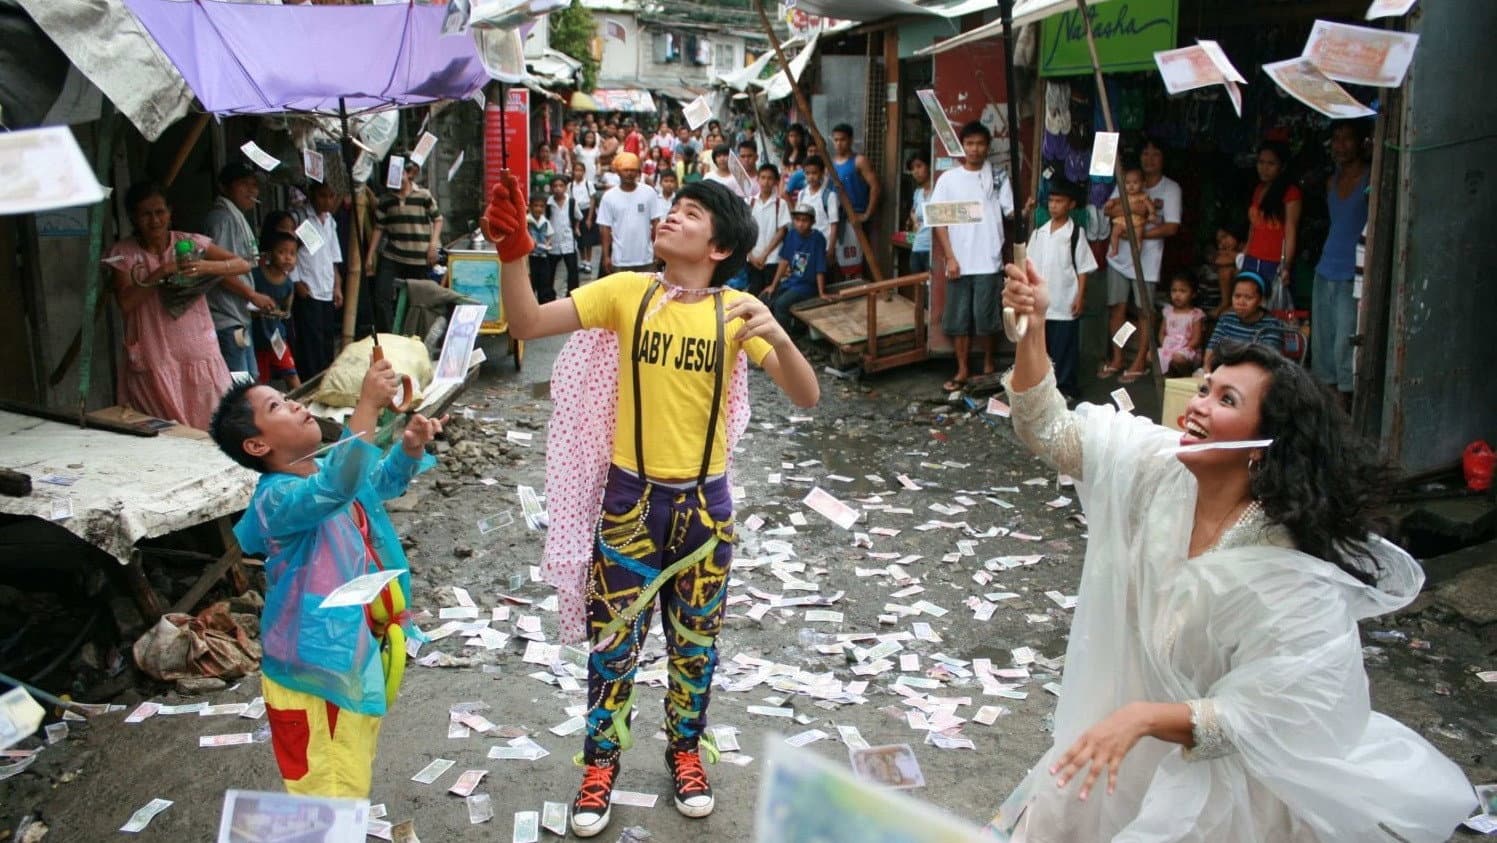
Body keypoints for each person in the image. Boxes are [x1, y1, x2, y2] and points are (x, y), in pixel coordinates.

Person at [994, 256, 1475, 843]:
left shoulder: (1285, 560)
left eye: (1225, 400)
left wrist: (1143, 719)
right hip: (1129, 737)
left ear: (1261, 446)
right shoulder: (1157, 467)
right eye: (1205, 388)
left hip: (1232, 775)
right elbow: (1049, 431)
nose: (1196, 406)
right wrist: (1035, 327)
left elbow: (1267, 713)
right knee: (1059, 814)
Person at [480, 175, 819, 839]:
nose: (670, 218)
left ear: (719, 246)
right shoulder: (626, 291)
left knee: (695, 644)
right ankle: (600, 763)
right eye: (672, 209)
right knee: (613, 647)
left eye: (688, 214)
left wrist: (777, 335)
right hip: (629, 502)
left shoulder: (735, 311)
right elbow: (525, 324)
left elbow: (805, 396)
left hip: (706, 510)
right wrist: (513, 249)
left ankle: (685, 752)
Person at [210, 360, 443, 798]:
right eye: (277, 406)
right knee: (328, 792)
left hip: (352, 655)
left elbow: (377, 480)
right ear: (257, 445)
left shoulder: (321, 473)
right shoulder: (276, 499)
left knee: (348, 777)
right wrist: (368, 406)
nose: (296, 406)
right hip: (314, 671)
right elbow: (341, 483)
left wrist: (409, 448)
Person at [106, 182, 251, 429]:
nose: (155, 221)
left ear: (170, 212)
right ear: (133, 217)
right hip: (154, 352)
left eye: (160, 212)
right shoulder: (123, 253)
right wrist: (161, 272)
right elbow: (126, 302)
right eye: (146, 214)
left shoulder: (190, 243)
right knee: (164, 427)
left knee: (215, 420)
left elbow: (244, 263)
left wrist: (205, 266)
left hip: (197, 348)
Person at [927, 120, 1015, 392]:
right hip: (959, 263)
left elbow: (1010, 212)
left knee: (987, 317)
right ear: (962, 147)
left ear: (988, 147)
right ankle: (963, 369)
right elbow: (939, 223)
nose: (975, 149)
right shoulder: (949, 180)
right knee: (959, 319)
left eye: (979, 144)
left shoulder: (997, 177)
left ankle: (988, 366)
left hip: (988, 261)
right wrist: (950, 258)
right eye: (970, 144)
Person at [1100, 138, 1182, 384]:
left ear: (1164, 159)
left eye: (1155, 154)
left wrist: (1140, 232)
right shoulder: (1129, 180)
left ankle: (1139, 361)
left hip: (1146, 260)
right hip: (1118, 258)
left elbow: (1171, 227)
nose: (1149, 159)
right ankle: (1117, 358)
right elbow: (1111, 209)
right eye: (1145, 153)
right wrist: (1134, 215)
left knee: (1144, 311)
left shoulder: (1170, 189)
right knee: (1117, 309)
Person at [1312, 120, 1370, 408]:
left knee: (1344, 343)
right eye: (1337, 139)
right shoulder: (1331, 181)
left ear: (1361, 142)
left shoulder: (1371, 180)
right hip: (1325, 268)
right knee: (1323, 341)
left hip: (1353, 272)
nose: (1341, 145)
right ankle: (1330, 404)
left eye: (1348, 138)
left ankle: (1346, 403)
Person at [205, 161, 279, 381]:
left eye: (254, 185)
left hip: (238, 316)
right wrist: (252, 295)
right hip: (227, 319)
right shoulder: (223, 219)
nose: (252, 191)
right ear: (225, 187)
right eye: (244, 184)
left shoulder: (236, 216)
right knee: (238, 384)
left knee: (248, 380)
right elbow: (218, 272)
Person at [1023, 178, 1096, 402]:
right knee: (1042, 347)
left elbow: (1083, 268)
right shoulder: (1039, 233)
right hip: (1041, 302)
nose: (1054, 205)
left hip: (1065, 299)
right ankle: (1042, 388)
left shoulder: (1075, 234)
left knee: (1065, 347)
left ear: (1071, 205)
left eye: (1060, 201)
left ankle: (1065, 388)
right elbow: (1029, 266)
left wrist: (1080, 297)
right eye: (1052, 201)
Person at [365, 158, 442, 335]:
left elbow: (438, 219)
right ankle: (389, 335)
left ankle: (412, 336)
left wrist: (433, 245)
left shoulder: (423, 196)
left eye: (400, 174)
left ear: (408, 174)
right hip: (393, 255)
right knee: (381, 296)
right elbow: (379, 228)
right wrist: (370, 255)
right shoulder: (386, 200)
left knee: (417, 301)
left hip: (418, 258)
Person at [290, 181, 344, 379]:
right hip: (309, 287)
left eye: (331, 196)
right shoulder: (301, 218)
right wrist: (296, 281)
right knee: (310, 342)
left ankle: (324, 379)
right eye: (323, 196)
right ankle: (310, 381)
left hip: (326, 287)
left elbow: (333, 256)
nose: (328, 201)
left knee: (326, 340)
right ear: (312, 194)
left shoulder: (330, 220)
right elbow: (290, 252)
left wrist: (337, 286)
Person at [1243, 140, 1301, 290]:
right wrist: (1245, 254)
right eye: (1261, 162)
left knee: (1271, 309)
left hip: (1274, 262)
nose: (1264, 168)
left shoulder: (1291, 193)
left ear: (1282, 166)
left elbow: (1290, 230)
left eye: (1271, 164)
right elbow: (1253, 227)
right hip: (1252, 258)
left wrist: (1286, 265)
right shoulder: (1258, 189)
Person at [760, 203, 827, 329]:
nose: (800, 224)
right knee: (765, 298)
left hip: (807, 286)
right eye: (797, 220)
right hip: (792, 282)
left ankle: (787, 338)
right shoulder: (791, 234)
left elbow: (820, 268)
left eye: (805, 220)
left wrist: (821, 292)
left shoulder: (818, 239)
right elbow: (784, 261)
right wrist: (773, 286)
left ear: (812, 222)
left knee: (781, 304)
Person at [596, 152, 665, 274]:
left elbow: (656, 223)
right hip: (620, 259)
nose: (629, 173)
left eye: (633, 170)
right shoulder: (609, 197)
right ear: (618, 171)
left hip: (646, 258)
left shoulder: (649, 193)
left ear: (638, 172)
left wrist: (658, 250)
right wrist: (606, 256)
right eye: (625, 170)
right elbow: (605, 229)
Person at [1203, 271, 1285, 371]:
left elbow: (1267, 360)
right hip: (1226, 370)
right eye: (1237, 296)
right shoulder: (1226, 319)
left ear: (1261, 300)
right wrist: (1207, 368)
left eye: (1248, 298)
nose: (1241, 302)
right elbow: (1212, 348)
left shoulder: (1271, 325)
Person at [252, 231, 302, 389]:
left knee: (291, 373)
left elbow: (287, 310)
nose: (287, 257)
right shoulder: (256, 276)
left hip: (276, 336)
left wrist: (281, 313)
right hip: (256, 336)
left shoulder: (288, 284)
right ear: (270, 254)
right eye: (281, 252)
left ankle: (303, 407)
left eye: (292, 254)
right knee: (261, 381)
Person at [746, 164, 790, 297]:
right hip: (753, 258)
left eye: (770, 178)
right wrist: (750, 256)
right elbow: (744, 231)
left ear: (776, 182)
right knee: (754, 294)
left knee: (770, 296)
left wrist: (765, 254)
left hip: (772, 259)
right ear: (757, 180)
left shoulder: (780, 204)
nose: (766, 182)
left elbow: (781, 231)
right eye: (763, 178)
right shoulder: (749, 202)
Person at [828, 123, 880, 230]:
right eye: (836, 140)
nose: (839, 143)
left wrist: (867, 214)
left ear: (851, 140)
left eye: (842, 140)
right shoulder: (831, 164)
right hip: (835, 217)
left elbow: (876, 187)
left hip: (855, 217)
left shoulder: (859, 161)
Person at [1158, 270, 1206, 376]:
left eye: (1182, 291)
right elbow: (1162, 333)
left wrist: (1181, 347)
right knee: (1151, 355)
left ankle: (1186, 375)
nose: (1177, 295)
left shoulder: (1195, 314)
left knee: (1178, 358)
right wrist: (1166, 345)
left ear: (1193, 294)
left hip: (1187, 349)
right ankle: (1169, 373)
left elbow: (1196, 339)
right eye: (1174, 291)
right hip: (1169, 347)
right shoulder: (1168, 311)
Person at [798, 156, 839, 267]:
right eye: (807, 173)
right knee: (801, 277)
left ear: (822, 173)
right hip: (803, 247)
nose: (811, 177)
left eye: (814, 173)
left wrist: (831, 249)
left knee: (821, 279)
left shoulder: (829, 196)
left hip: (822, 248)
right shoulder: (802, 195)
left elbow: (834, 225)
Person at [1108, 167, 1156, 258]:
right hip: (1122, 220)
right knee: (1115, 232)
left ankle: (1136, 254)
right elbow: (1116, 200)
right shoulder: (1124, 195)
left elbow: (1150, 206)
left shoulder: (1143, 196)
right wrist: (1111, 202)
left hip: (1137, 222)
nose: (1131, 186)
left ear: (1142, 184)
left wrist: (1152, 213)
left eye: (1135, 183)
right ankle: (1114, 249)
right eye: (1127, 183)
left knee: (1138, 238)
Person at [547, 175, 582, 297]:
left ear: (566, 187)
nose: (558, 189)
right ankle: (549, 295)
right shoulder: (548, 203)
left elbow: (578, 217)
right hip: (553, 242)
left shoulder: (571, 202)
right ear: (551, 188)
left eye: (561, 186)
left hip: (568, 240)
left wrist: (576, 228)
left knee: (572, 270)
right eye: (555, 186)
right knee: (550, 271)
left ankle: (572, 294)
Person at [1209, 220, 1247, 318]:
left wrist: (1231, 255)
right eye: (1219, 241)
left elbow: (1246, 260)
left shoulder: (1247, 245)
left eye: (1225, 237)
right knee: (1224, 270)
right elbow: (1218, 260)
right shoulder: (1228, 249)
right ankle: (1225, 302)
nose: (1223, 243)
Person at [569, 162, 599, 276]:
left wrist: (589, 218)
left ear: (584, 172)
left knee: (588, 239)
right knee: (580, 238)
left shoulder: (588, 184)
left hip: (587, 212)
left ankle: (589, 261)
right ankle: (582, 261)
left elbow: (592, 200)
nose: (578, 172)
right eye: (576, 170)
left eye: (580, 170)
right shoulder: (570, 185)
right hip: (576, 213)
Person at [527, 193, 556, 304]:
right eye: (536, 206)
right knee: (531, 284)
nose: (538, 209)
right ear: (530, 207)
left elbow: (550, 235)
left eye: (541, 206)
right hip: (531, 257)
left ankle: (543, 308)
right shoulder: (527, 221)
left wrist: (548, 243)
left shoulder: (545, 221)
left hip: (543, 256)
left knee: (544, 283)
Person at [907, 154, 933, 274]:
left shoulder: (939, 190)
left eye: (919, 166)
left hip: (933, 248)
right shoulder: (918, 193)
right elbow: (913, 211)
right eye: (912, 168)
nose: (915, 171)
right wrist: (914, 221)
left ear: (929, 166)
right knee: (917, 287)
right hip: (917, 246)